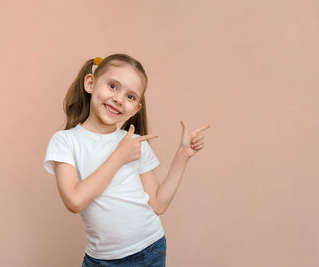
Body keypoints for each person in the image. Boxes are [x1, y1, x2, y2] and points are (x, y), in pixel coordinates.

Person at [43, 54, 211, 267]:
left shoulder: (134, 143)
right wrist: (119, 156)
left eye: (131, 97)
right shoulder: (65, 141)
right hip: (102, 260)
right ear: (90, 83)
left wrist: (183, 155)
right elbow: (74, 201)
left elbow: (158, 204)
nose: (119, 99)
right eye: (112, 86)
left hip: (151, 248)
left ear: (136, 109)